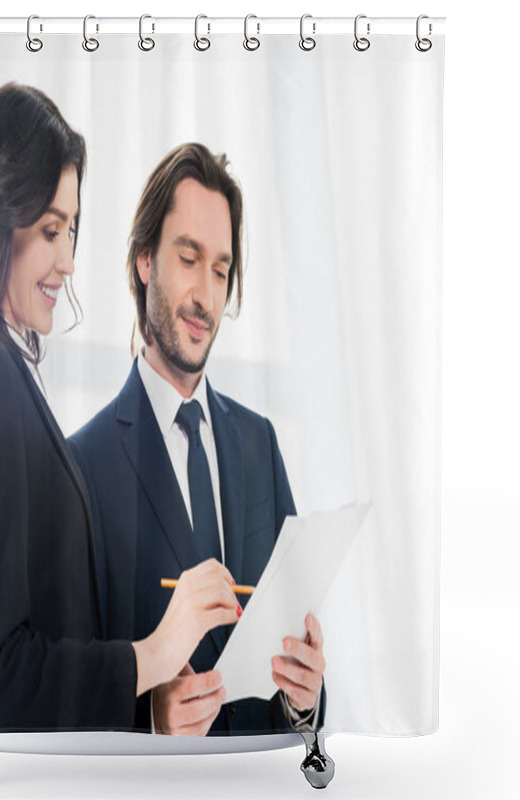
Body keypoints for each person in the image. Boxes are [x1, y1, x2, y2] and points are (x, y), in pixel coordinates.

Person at [0, 86, 239, 734]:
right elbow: (6, 678)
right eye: (47, 231)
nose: (67, 262)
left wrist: (149, 704)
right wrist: (154, 652)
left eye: (71, 229)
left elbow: (47, 642)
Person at [69, 143, 326, 736]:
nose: (207, 297)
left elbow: (293, 674)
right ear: (144, 261)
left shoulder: (260, 446)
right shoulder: (83, 466)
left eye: (220, 269)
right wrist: (151, 720)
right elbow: (69, 691)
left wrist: (306, 695)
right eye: (189, 259)